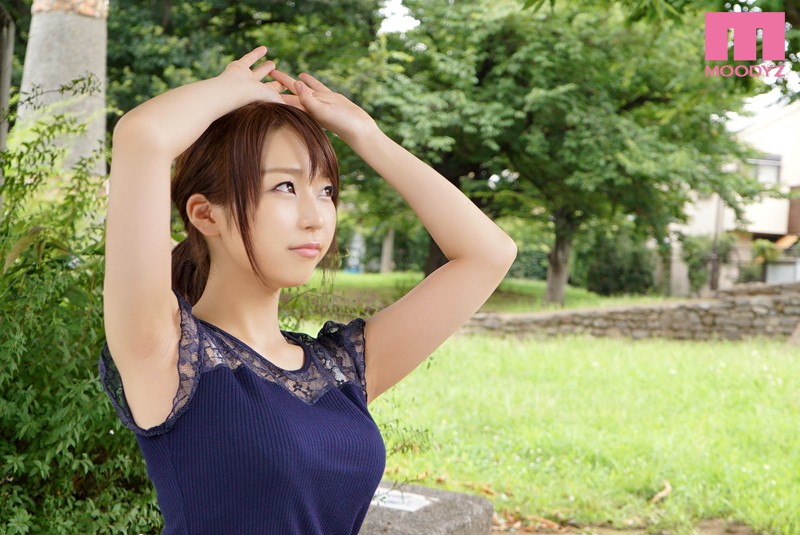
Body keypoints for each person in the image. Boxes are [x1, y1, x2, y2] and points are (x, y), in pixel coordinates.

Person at [98, 45, 517, 535]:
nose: (316, 216)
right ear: (206, 214)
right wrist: (226, 92)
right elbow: (142, 137)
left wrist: (365, 134)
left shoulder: (339, 369)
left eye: (326, 191)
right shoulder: (165, 354)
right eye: (285, 187)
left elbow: (489, 254)